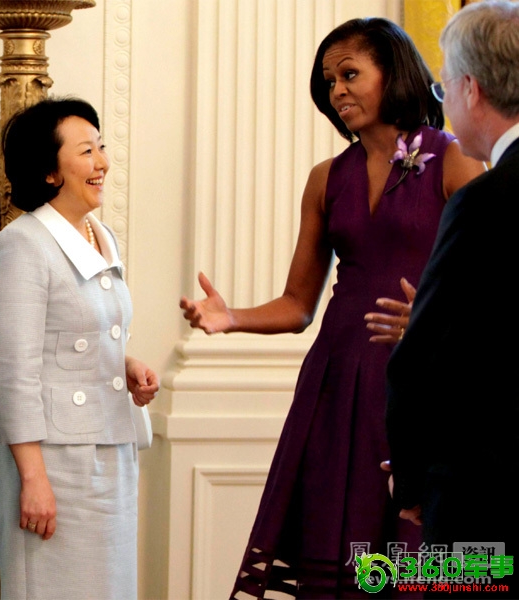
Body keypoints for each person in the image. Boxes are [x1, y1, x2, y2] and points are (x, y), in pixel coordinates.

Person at [178, 18, 486, 597]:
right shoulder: (326, 178)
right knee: (338, 555)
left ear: (392, 73)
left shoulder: (454, 160)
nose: (337, 90)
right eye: (329, 81)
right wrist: (231, 318)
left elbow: (494, 293)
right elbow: (299, 304)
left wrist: (432, 323)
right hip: (336, 382)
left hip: (418, 384)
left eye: (350, 74)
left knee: (416, 561)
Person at [0, 98, 160, 599]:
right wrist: (33, 480)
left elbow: (80, 336)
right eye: (86, 151)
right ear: (50, 171)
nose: (102, 162)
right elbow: (15, 375)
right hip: (54, 466)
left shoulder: (101, 236)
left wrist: (125, 364)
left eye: (100, 147)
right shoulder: (20, 245)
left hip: (110, 452)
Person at [387, 0, 519, 579]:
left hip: (486, 492)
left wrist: (411, 480)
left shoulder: (484, 202)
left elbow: (424, 355)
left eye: (443, 89)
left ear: (471, 88)